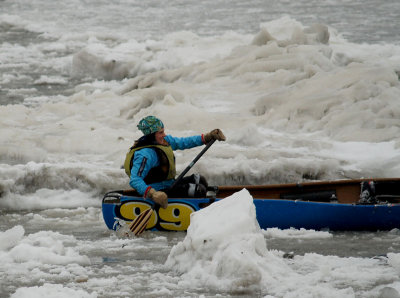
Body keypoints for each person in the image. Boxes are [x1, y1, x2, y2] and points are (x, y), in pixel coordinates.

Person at [124, 116, 226, 209]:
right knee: (198, 190)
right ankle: (199, 213)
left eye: (163, 131)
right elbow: (135, 179)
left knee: (200, 179)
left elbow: (183, 142)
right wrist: (153, 194)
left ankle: (201, 207)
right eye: (160, 133)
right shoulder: (144, 155)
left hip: (169, 185)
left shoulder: (164, 141)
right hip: (158, 193)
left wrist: (207, 137)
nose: (164, 135)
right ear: (151, 135)